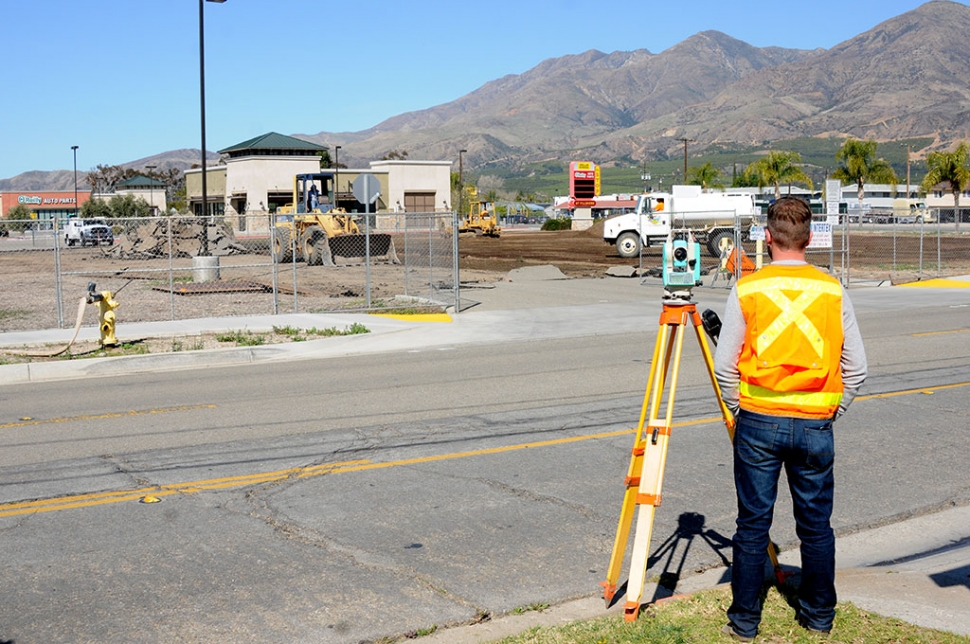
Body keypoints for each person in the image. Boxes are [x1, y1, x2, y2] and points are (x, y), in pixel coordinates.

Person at [713, 196, 867, 641]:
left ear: (767, 236)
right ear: (811, 238)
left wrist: (742, 408)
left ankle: (745, 621)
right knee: (816, 526)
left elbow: (727, 365)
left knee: (752, 524)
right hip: (816, 424)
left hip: (759, 420)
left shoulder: (748, 288)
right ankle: (819, 616)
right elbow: (856, 367)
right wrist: (833, 408)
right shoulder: (832, 290)